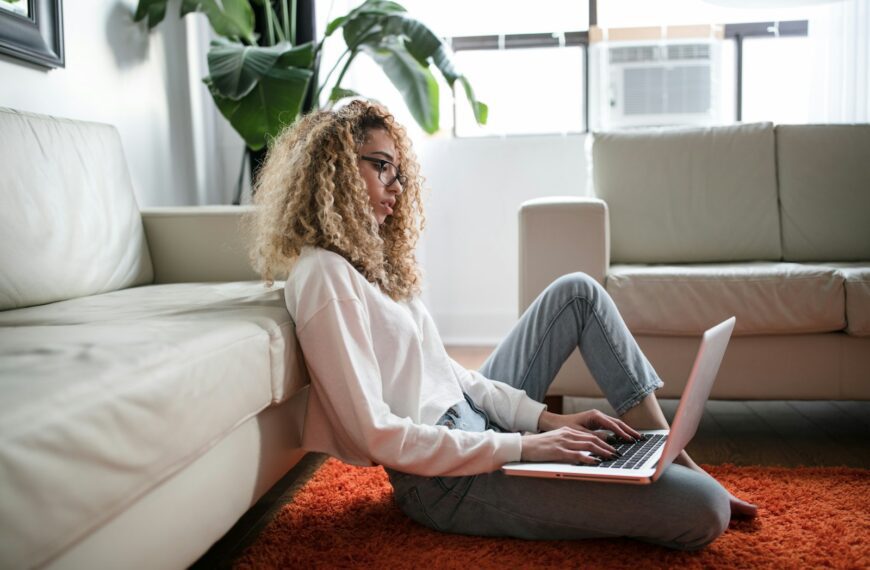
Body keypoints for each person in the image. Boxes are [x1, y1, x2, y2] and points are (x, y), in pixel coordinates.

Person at [247, 99, 757, 551]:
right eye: (381, 167)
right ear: (334, 169)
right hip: (444, 481)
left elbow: (449, 374)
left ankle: (666, 450)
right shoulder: (323, 275)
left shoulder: (368, 262)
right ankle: (674, 473)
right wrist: (523, 446)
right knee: (705, 510)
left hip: (474, 424)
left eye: (398, 172)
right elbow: (377, 434)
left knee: (576, 291)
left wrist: (543, 422)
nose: (395, 188)